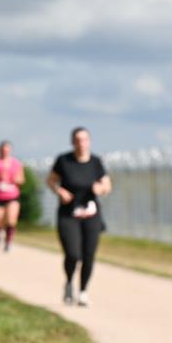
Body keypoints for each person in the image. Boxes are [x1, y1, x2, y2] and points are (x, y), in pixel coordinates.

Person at [47, 127, 111, 306]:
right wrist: (59, 191)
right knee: (73, 253)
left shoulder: (96, 162)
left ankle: (83, 291)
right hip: (69, 214)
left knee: (89, 255)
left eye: (84, 139)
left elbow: (107, 184)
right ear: (73, 142)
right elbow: (51, 180)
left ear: (89, 141)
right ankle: (69, 282)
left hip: (91, 214)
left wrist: (101, 189)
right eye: (78, 140)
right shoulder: (64, 161)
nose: (81, 143)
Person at [0, 140, 25, 252]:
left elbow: (22, 179)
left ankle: (8, 242)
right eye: (3, 150)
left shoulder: (16, 163)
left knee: (11, 219)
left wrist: (13, 179)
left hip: (12, 195)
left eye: (7, 150)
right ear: (0, 150)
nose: (5, 152)